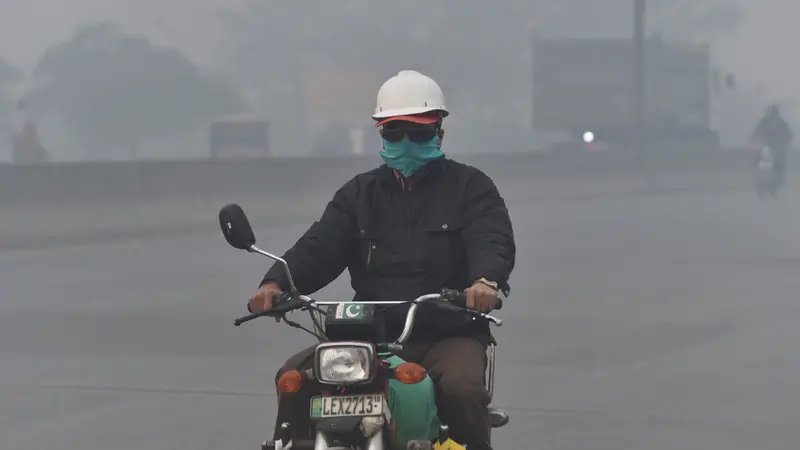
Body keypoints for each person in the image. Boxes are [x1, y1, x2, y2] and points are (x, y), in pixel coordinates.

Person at [247, 70, 515, 450]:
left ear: (439, 132)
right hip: (369, 334)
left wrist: (485, 281)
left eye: (418, 132)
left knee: (462, 388)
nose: (406, 141)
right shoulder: (359, 194)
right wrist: (274, 284)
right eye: (394, 132)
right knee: (293, 378)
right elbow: (319, 246)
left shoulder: (471, 188)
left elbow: (492, 238)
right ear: (382, 135)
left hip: (446, 330)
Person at [752, 105, 793, 184]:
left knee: (778, 170)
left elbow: (789, 135)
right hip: (764, 149)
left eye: (773, 113)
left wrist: (783, 144)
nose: (772, 115)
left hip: (778, 149)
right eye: (770, 113)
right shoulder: (763, 123)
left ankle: (774, 187)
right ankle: (761, 185)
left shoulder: (781, 123)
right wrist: (758, 143)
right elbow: (755, 134)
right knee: (761, 168)